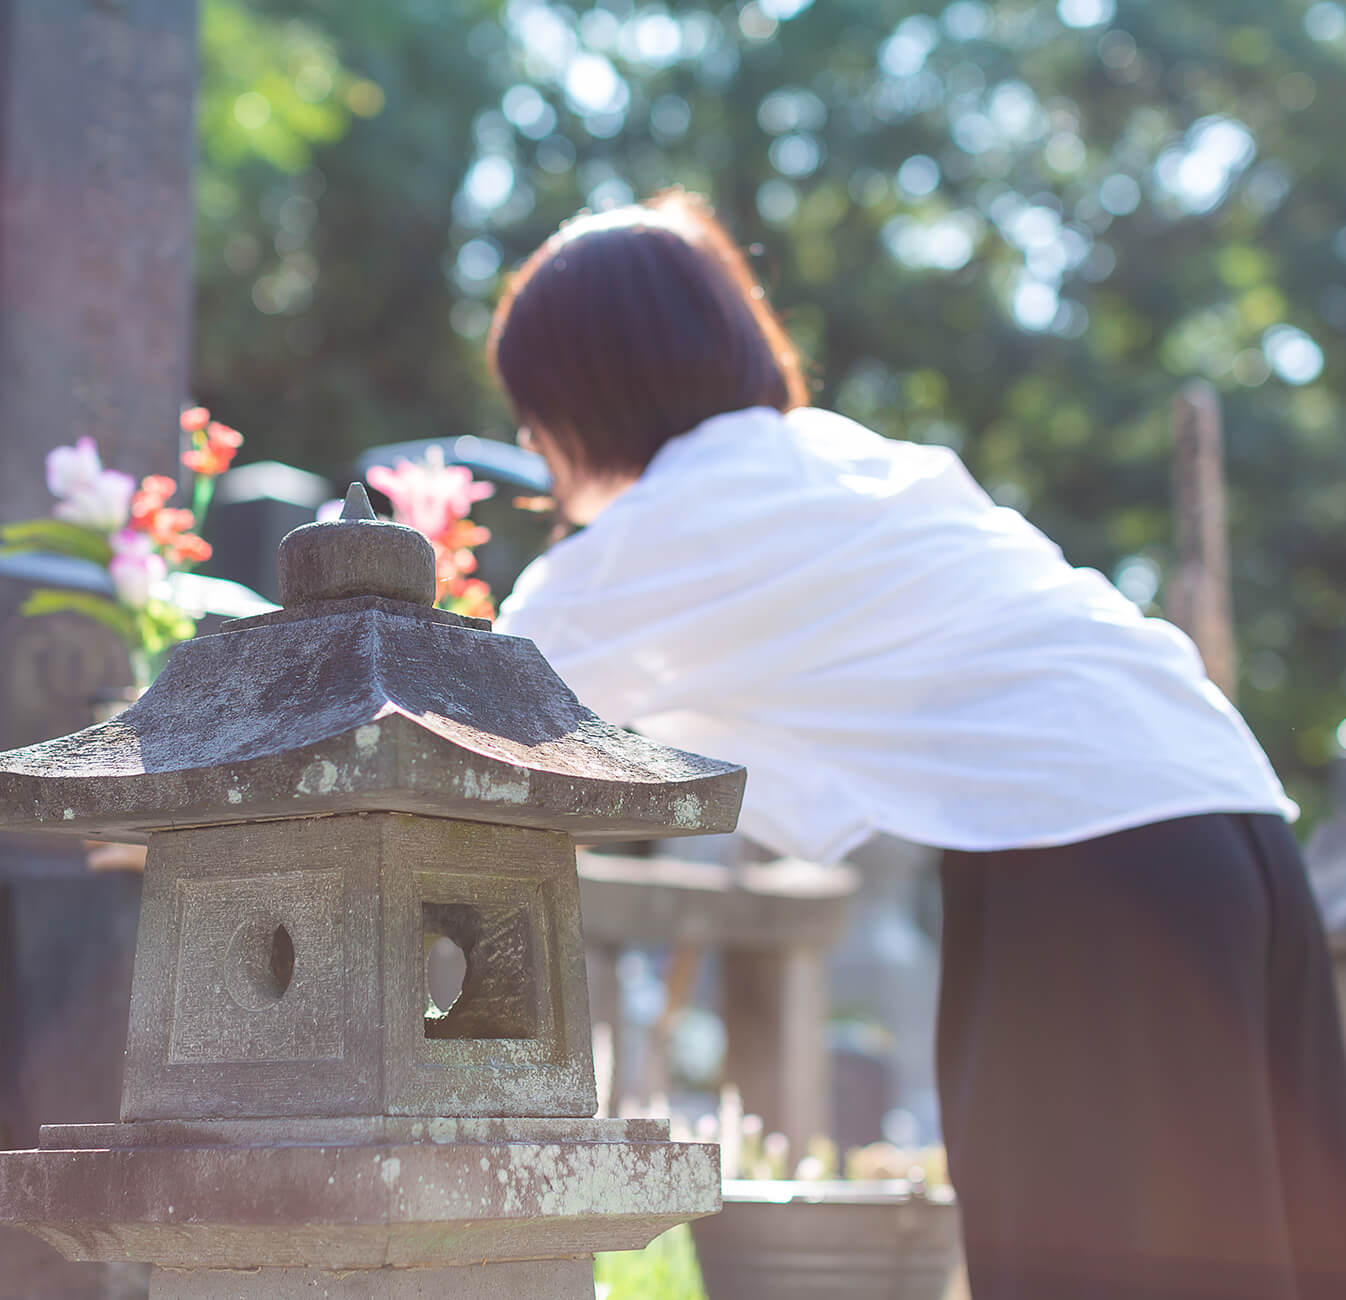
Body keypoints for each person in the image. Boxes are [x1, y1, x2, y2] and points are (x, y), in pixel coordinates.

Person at [488, 190, 1346, 1299]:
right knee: (1257, 1255)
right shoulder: (836, 459)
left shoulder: (680, 513)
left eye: (531, 411)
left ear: (582, 395)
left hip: (1092, 861)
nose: (526, 447)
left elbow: (477, 688)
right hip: (1228, 823)